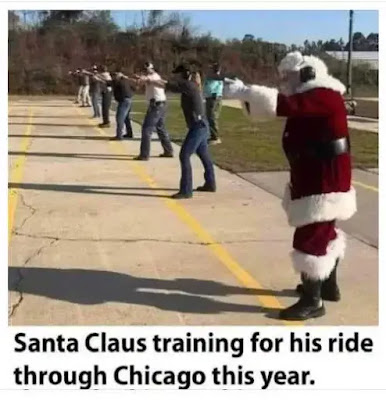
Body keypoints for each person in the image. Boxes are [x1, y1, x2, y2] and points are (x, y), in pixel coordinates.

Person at [224, 51, 357, 320]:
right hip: (317, 174)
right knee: (325, 233)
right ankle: (327, 285)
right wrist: (244, 96)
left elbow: (285, 105)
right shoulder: (315, 95)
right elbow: (278, 108)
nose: (286, 82)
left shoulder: (323, 94)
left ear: (308, 73)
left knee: (311, 236)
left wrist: (245, 90)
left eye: (291, 76)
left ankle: (313, 300)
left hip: (324, 178)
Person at [170, 63, 216, 199]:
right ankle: (210, 183)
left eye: (178, 74)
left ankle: (186, 190)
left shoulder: (188, 85)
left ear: (185, 74)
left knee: (184, 155)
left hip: (198, 127)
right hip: (200, 126)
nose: (176, 76)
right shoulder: (191, 85)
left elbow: (167, 85)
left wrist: (151, 80)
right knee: (204, 155)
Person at [133, 62, 174, 160]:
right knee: (160, 128)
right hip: (158, 104)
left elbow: (157, 82)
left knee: (147, 129)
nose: (145, 71)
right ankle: (168, 150)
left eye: (147, 69)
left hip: (157, 105)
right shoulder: (149, 77)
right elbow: (140, 82)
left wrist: (146, 79)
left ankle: (144, 154)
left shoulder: (155, 77)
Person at [110, 70, 137, 140]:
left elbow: (110, 83)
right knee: (126, 118)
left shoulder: (118, 82)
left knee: (120, 118)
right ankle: (129, 133)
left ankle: (119, 135)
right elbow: (134, 88)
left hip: (123, 101)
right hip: (128, 99)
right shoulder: (126, 81)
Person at [203, 63, 224, 145]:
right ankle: (212, 135)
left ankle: (215, 137)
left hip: (214, 98)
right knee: (209, 117)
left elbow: (212, 88)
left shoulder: (216, 78)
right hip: (209, 98)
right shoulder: (211, 77)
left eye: (211, 69)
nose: (209, 70)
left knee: (212, 117)